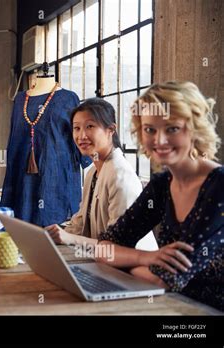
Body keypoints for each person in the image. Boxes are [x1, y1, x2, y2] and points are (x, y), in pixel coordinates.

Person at [95, 81, 223, 310]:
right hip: (170, 306)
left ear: (194, 129)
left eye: (172, 128)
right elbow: (104, 248)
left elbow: (166, 279)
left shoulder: (219, 186)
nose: (160, 140)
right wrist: (147, 258)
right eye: (150, 130)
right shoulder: (163, 184)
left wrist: (125, 261)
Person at [45, 98, 143, 246]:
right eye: (76, 128)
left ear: (111, 130)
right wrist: (52, 234)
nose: (81, 136)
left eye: (90, 126)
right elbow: (81, 222)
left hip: (130, 266)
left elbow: (119, 246)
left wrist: (69, 238)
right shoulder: (93, 172)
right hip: (100, 261)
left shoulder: (121, 176)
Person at [0, 74, 91, 227]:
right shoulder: (20, 99)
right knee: (22, 235)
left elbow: (78, 137)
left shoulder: (68, 98)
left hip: (56, 178)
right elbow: (14, 140)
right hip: (21, 180)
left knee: (57, 236)